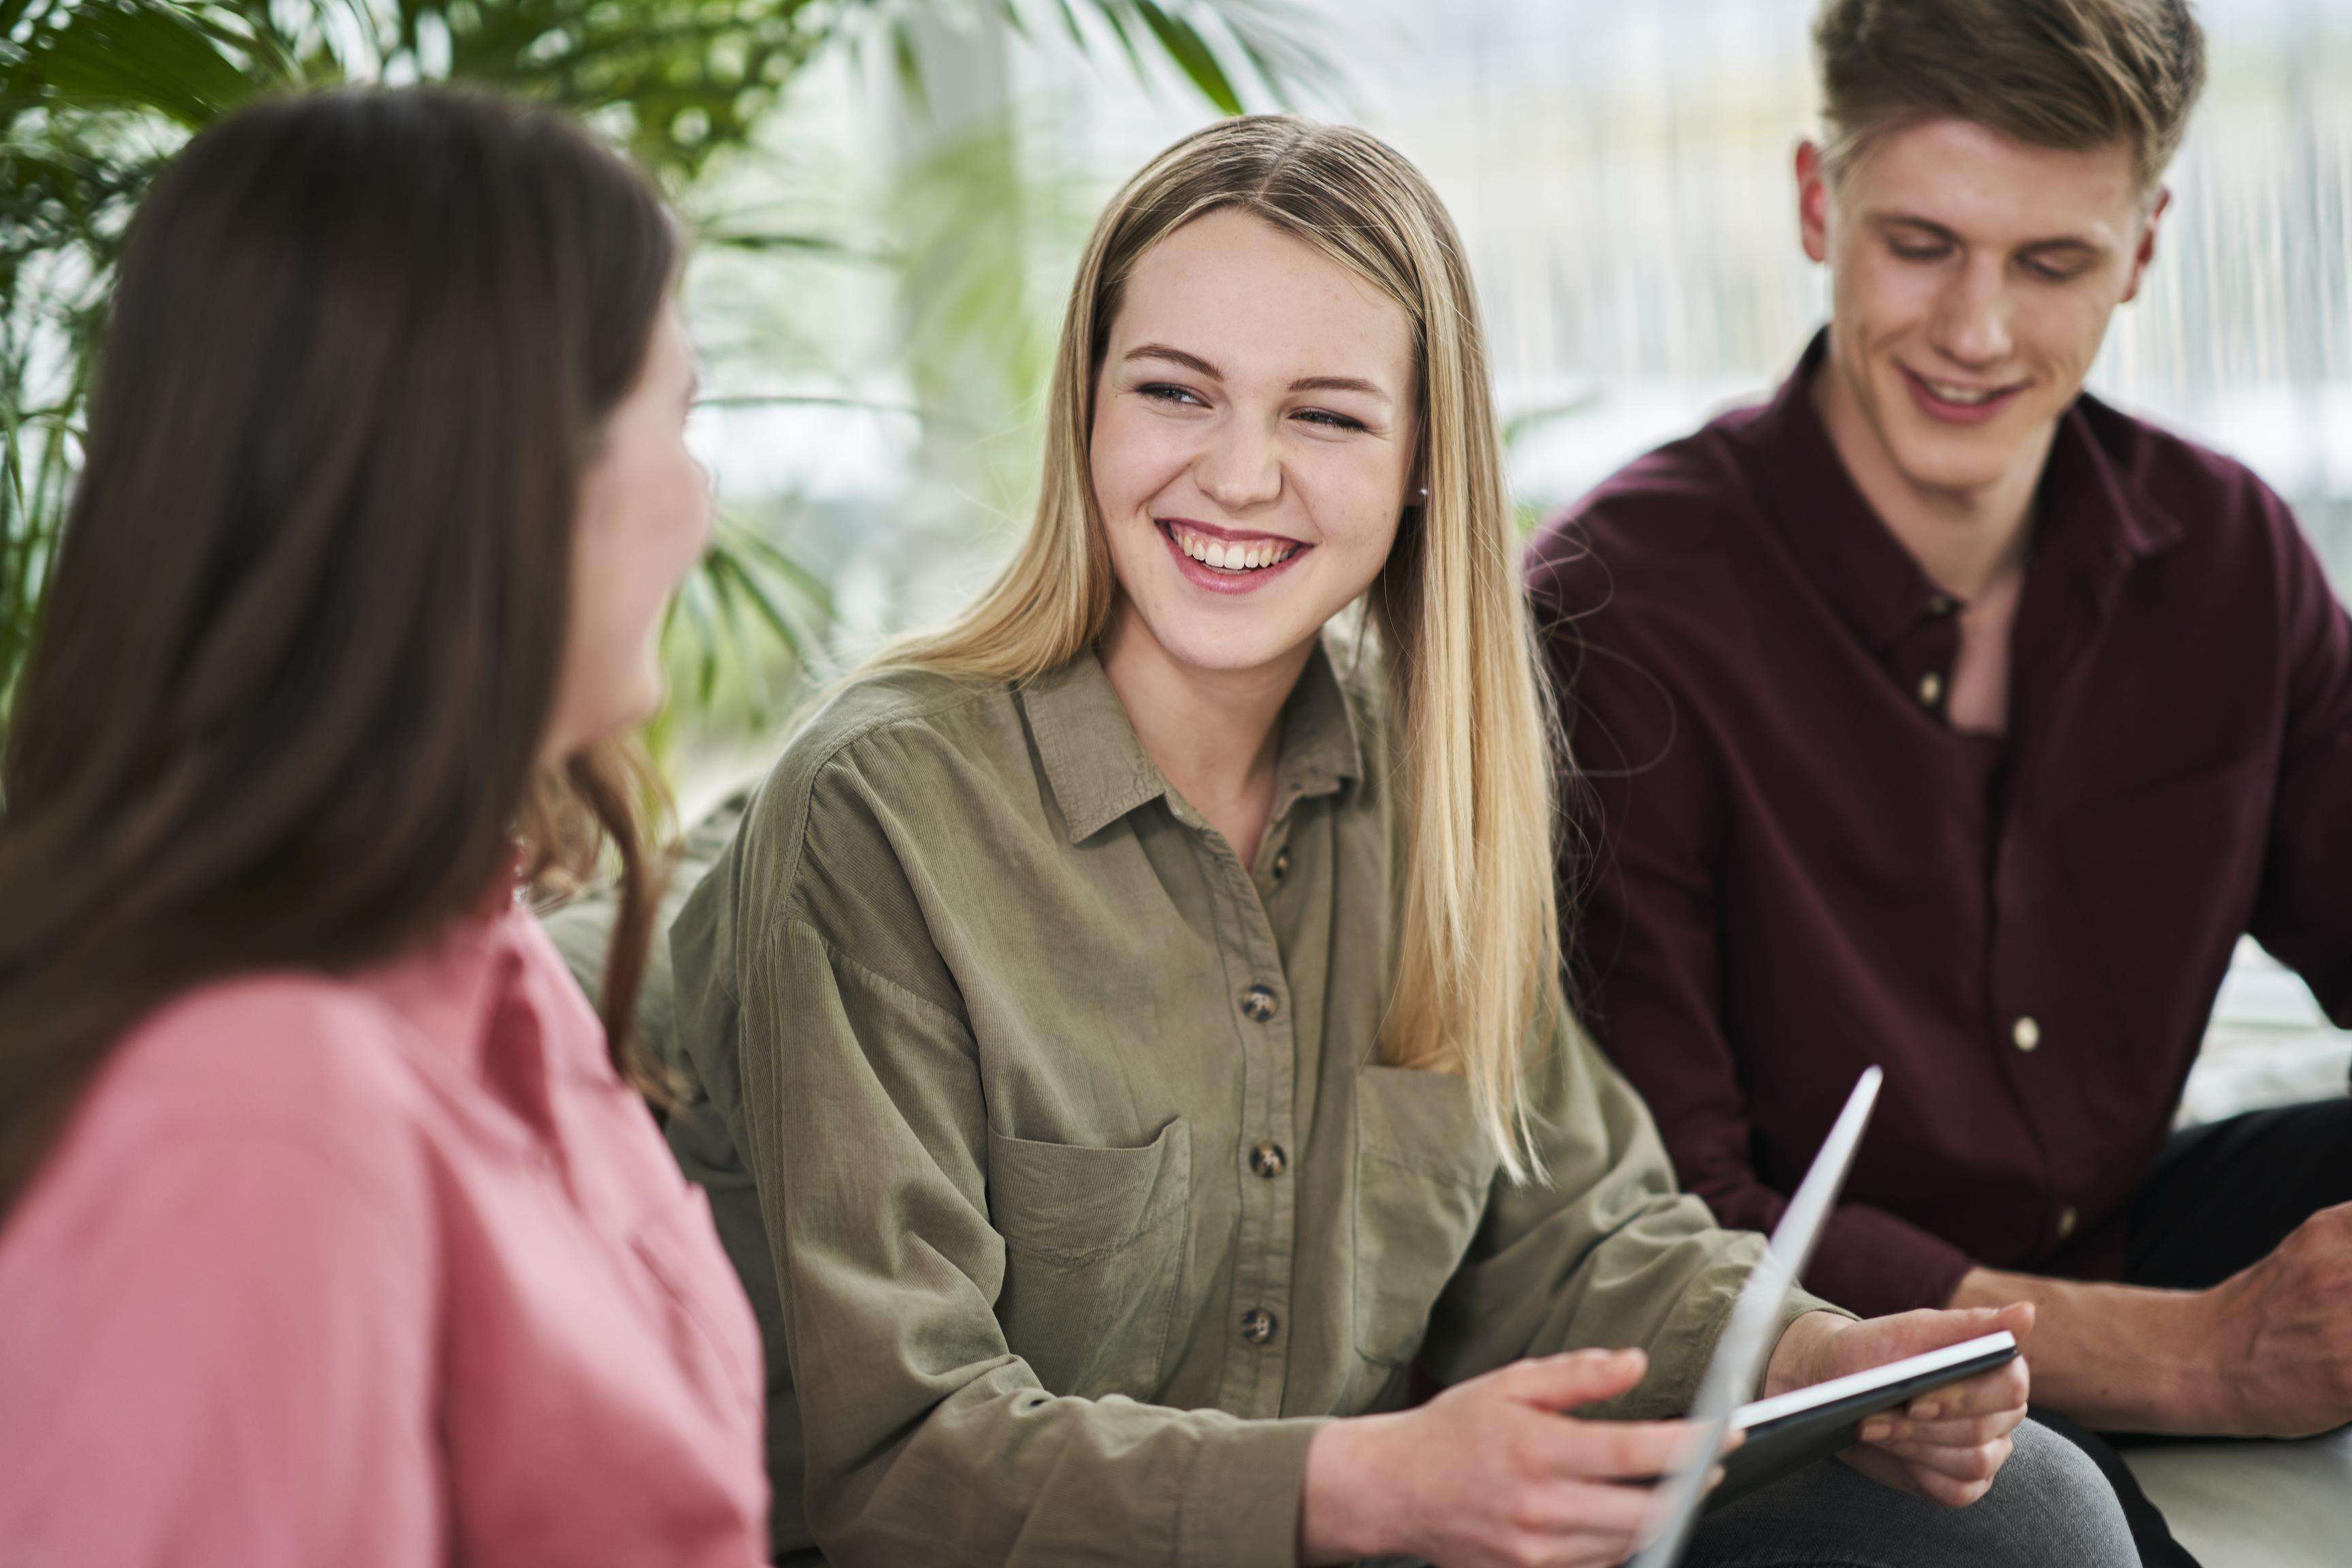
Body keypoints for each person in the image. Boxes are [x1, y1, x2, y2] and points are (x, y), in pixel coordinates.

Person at [662, 113, 2129, 1567]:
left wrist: (1815, 1358)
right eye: (1177, 393)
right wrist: (1361, 1489)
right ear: (1088, 411)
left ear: (1424, 459)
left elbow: (1576, 1235)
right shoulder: (883, 811)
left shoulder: (1431, 787)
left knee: (2035, 1511)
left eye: (1326, 415)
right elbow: (897, 1456)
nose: (1240, 477)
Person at [1525, 0, 2345, 1558]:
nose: (1978, 333)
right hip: (1802, 1345)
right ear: (1816, 203)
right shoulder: (1616, 610)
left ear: (2146, 247)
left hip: (2103, 1230)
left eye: (2053, 265)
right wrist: (2208, 1358)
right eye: (1923, 245)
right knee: (2056, 1530)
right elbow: (1674, 1220)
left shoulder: (2231, 556)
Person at [0, 89, 766, 1565]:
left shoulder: (485, 945)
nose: (702, 508)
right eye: (675, 417)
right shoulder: (252, 1114)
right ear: (496, 475)